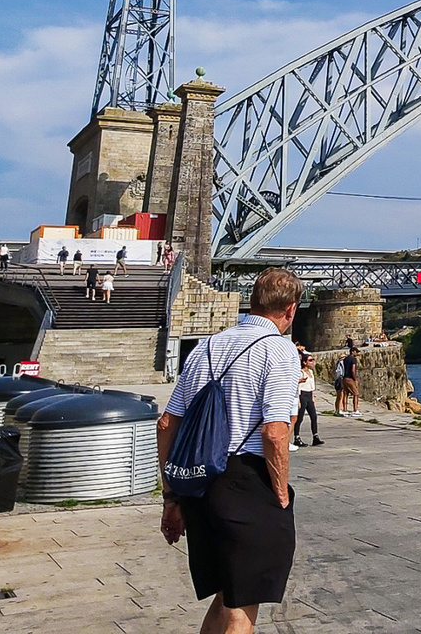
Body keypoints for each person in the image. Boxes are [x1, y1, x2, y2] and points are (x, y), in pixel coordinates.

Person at [157, 267, 304, 634]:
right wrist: (281, 493)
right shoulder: (280, 351)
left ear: (252, 301)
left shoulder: (206, 346)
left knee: (225, 595)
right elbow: (274, 433)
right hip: (246, 482)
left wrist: (171, 498)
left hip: (200, 484)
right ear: (290, 309)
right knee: (243, 603)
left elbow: (166, 425)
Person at [293, 354, 322, 447]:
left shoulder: (310, 372)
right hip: (302, 395)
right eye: (310, 360)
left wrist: (313, 397)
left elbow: (312, 386)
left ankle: (315, 436)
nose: (312, 362)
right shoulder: (300, 372)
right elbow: (296, 385)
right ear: (305, 362)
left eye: (312, 360)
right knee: (300, 418)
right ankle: (296, 437)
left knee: (313, 416)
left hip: (309, 395)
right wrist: (298, 399)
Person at [339, 347, 361, 415]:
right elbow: (353, 370)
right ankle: (355, 410)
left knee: (346, 394)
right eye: (356, 352)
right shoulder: (353, 359)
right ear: (352, 351)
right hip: (350, 379)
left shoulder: (345, 359)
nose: (357, 353)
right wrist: (355, 379)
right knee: (356, 394)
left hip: (344, 378)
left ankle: (345, 409)